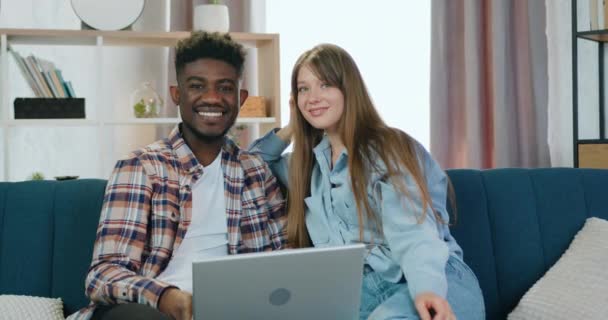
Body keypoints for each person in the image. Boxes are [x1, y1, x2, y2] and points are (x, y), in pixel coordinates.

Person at [249, 44, 484, 320]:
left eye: (325, 85)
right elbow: (250, 164)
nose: (313, 97)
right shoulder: (306, 167)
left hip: (430, 280)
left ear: (349, 89)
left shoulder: (387, 148)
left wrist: (427, 289)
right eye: (303, 89)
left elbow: (413, 229)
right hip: (362, 292)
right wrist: (292, 126)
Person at [70, 32, 287, 320]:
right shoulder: (141, 167)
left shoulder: (257, 173)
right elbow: (103, 275)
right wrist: (164, 297)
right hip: (150, 311)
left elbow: (287, 260)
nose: (212, 97)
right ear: (177, 94)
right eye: (197, 86)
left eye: (224, 87)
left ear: (240, 98)